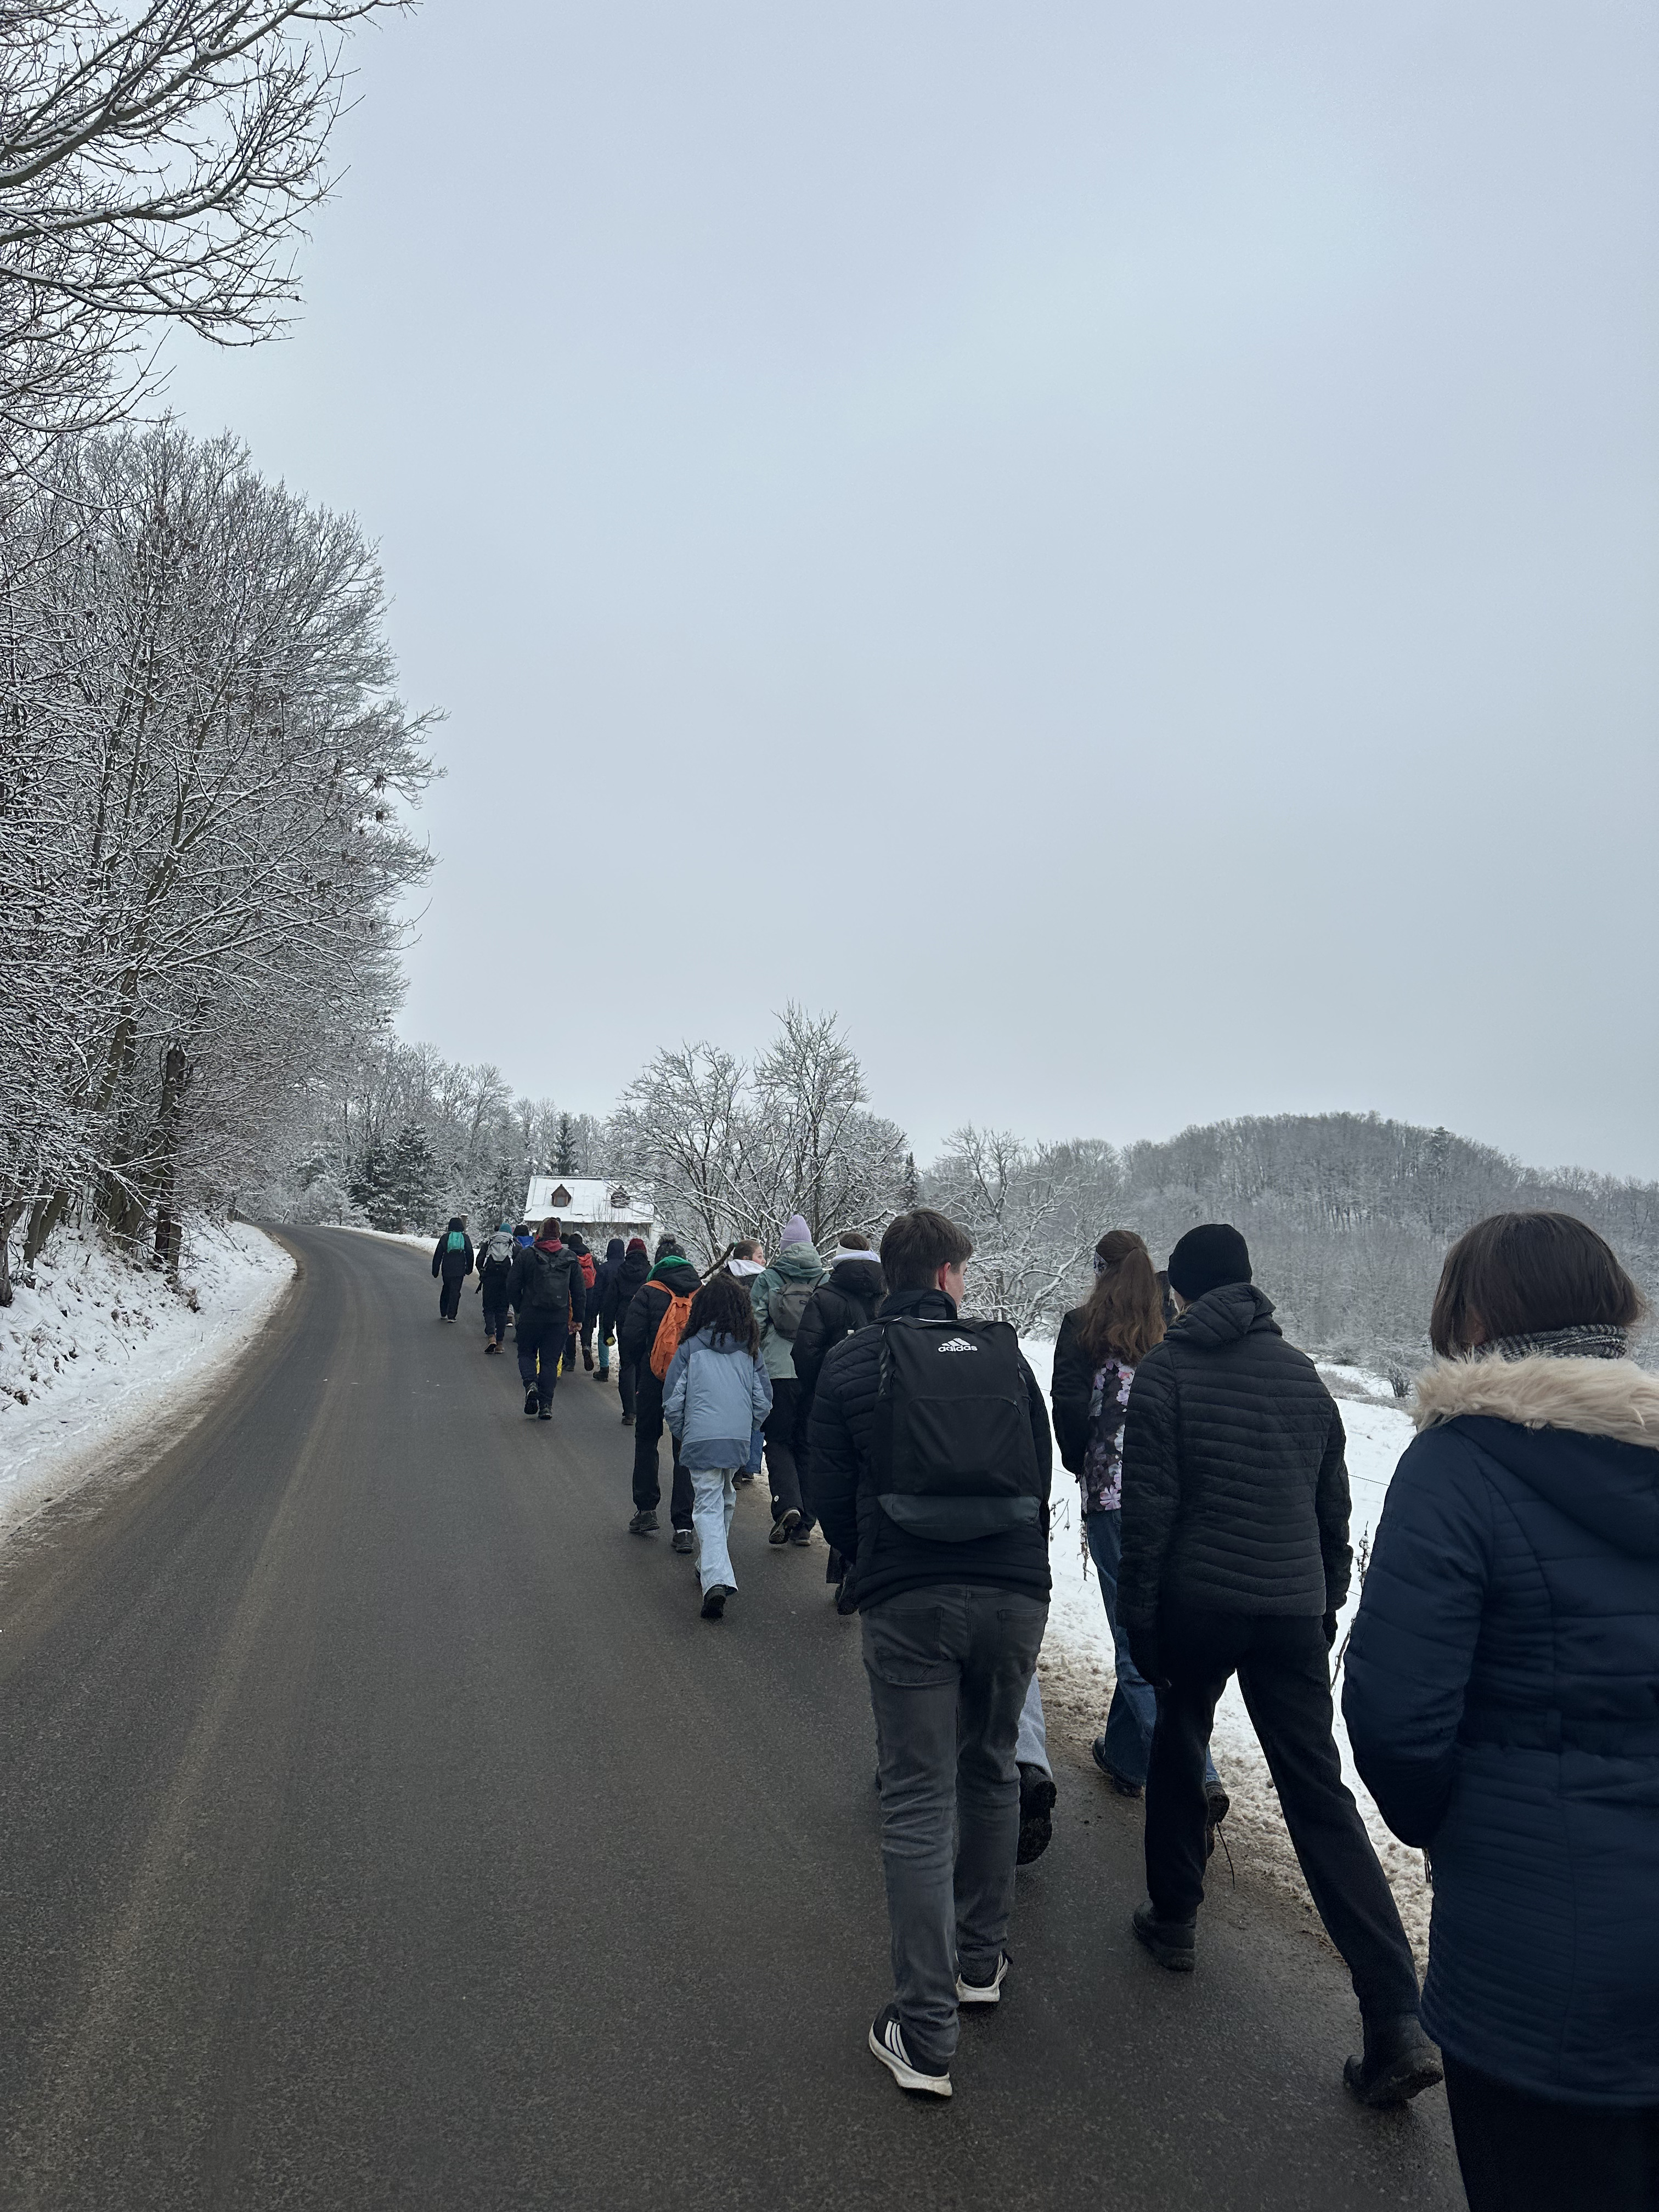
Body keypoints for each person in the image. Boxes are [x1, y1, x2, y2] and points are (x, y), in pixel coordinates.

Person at [1342, 1212, 1659, 2206]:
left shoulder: (1459, 1464)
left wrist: (1459, 1829)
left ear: (1471, 1321)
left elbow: (1395, 1722)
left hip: (1536, 1963)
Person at [1119, 1222, 1436, 2108]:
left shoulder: (1166, 1372)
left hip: (1198, 1604)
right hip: (1290, 1608)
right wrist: (1323, 1602)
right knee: (1316, 1794)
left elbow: (1148, 1515)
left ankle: (1173, 1919)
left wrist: (1140, 1624)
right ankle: (1393, 2016)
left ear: (1178, 1291)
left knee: (1178, 1741)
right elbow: (1332, 1508)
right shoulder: (1300, 1373)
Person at [810, 1207, 1052, 2101]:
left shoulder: (851, 1361)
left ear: (890, 1275)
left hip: (908, 1595)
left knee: (917, 1797)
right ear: (948, 1276)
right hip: (1012, 1592)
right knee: (991, 1767)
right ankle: (979, 1963)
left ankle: (923, 2032)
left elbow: (830, 1489)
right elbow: (1039, 1471)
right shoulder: (1004, 1357)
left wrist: (873, 1559)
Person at [1051, 1230, 1226, 1824]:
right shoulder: (1170, 1326)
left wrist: (1079, 1459)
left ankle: (1198, 1777)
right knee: (1154, 1628)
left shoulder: (1082, 1326)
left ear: (1099, 1268)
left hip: (1113, 1497)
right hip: (1172, 1498)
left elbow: (1069, 1410)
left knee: (1134, 1641)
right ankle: (1126, 1759)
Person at [662, 1272, 774, 1621]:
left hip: (700, 1437)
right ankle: (709, 1565)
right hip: (736, 1439)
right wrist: (747, 1429)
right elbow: (763, 1401)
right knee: (724, 1497)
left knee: (708, 1504)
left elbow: (673, 1401)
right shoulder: (750, 1351)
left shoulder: (690, 1349)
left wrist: (684, 1433)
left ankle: (716, 1579)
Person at [793, 1232, 884, 1593]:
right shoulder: (885, 1292)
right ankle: (860, 1566)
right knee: (869, 1477)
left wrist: (820, 1388)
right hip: (879, 1396)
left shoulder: (825, 1296)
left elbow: (805, 1351)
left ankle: (844, 1564)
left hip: (832, 1397)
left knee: (838, 1475)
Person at [749, 1214, 827, 1547]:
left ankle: (787, 1505)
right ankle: (806, 1525)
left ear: (783, 1248)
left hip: (778, 1373)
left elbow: (755, 1326)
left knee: (778, 1440)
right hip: (814, 1374)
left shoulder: (769, 1278)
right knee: (806, 1443)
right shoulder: (825, 1280)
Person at [620, 1236, 701, 1548]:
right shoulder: (701, 1293)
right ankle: (684, 1527)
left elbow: (631, 1338)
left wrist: (638, 1368)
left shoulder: (648, 1292)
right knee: (684, 1448)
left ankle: (646, 1510)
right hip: (691, 1379)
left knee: (647, 1439)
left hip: (653, 1377)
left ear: (658, 1263)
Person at [506, 1216, 586, 1420]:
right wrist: (577, 1318)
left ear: (540, 1234)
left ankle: (531, 1384)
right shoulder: (570, 1258)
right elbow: (579, 1291)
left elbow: (512, 1284)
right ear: (559, 1235)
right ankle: (546, 1406)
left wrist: (520, 1307)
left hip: (531, 1315)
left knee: (526, 1354)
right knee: (550, 1361)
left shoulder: (526, 1255)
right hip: (558, 1319)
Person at [603, 1235, 651, 1427]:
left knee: (627, 1365)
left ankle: (629, 1411)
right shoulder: (651, 1273)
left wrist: (607, 1330)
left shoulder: (620, 1272)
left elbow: (610, 1302)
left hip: (625, 1323)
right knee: (643, 1365)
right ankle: (641, 1404)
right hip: (646, 1324)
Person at [475, 1218, 516, 1353]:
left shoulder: (489, 1243)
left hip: (490, 1280)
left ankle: (491, 1336)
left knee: (489, 1309)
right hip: (506, 1281)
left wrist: (484, 1274)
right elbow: (519, 1266)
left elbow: (479, 1261)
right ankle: (500, 1344)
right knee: (502, 1311)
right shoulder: (514, 1245)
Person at [590, 1237, 625, 1381]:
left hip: (606, 1307)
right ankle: (624, 1369)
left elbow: (597, 1292)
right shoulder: (627, 1267)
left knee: (603, 1335)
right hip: (624, 1308)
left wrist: (594, 1311)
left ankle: (604, 1369)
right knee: (624, 1337)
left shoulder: (603, 1268)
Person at [563, 1232, 597, 1375]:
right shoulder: (591, 1258)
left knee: (571, 1330)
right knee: (586, 1326)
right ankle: (586, 1347)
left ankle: (570, 1361)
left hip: (573, 1298)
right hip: (589, 1297)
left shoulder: (568, 1257)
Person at [431, 1216, 473, 1321]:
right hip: (460, 1269)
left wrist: (435, 1270)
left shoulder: (445, 1237)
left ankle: (443, 1312)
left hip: (447, 1268)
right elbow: (470, 1254)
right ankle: (452, 1315)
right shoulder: (465, 1237)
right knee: (455, 1291)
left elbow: (438, 1255)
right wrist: (469, 1269)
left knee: (446, 1288)